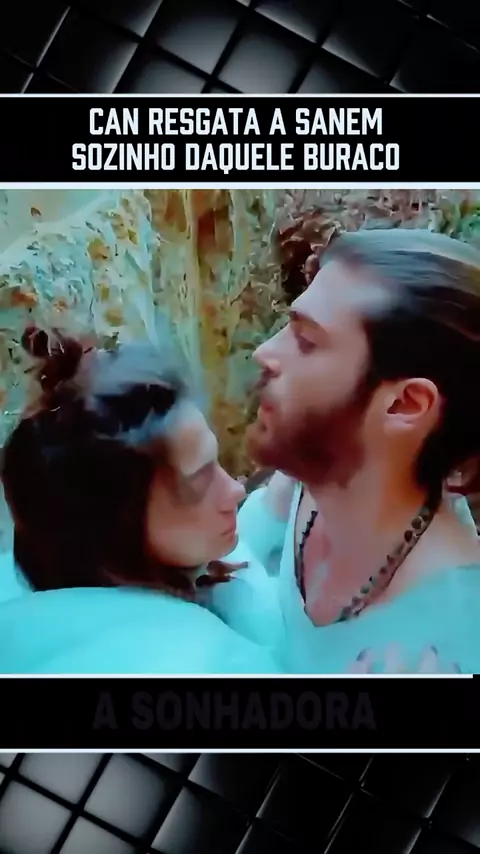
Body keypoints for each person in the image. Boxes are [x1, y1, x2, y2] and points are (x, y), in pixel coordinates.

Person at [228, 228, 480, 673]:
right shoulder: (308, 480)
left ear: (405, 405)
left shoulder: (451, 644)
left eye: (306, 341)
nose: (265, 353)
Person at [0, 325, 282, 673]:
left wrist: (274, 507)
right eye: (198, 483)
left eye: (215, 463)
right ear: (114, 529)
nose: (235, 490)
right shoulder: (199, 662)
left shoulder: (32, 588)